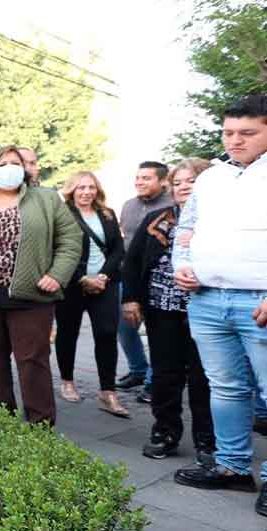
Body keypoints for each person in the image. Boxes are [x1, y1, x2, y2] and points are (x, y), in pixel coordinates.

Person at [170, 95, 267, 516]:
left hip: (257, 302)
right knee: (225, 387)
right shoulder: (211, 178)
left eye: (247, 133)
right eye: (229, 133)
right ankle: (232, 466)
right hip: (207, 298)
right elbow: (186, 229)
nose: (235, 141)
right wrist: (182, 265)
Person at [0, 145, 81, 425]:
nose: (9, 168)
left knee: (32, 362)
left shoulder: (46, 199)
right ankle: (2, 423)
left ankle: (39, 425)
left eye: (15, 162)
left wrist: (57, 274)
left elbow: (70, 240)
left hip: (31, 298)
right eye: (2, 163)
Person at [122, 158, 213, 461]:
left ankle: (208, 441)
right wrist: (132, 298)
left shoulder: (221, 219)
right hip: (163, 310)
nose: (183, 187)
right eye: (178, 182)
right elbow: (133, 261)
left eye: (192, 181)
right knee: (164, 375)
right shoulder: (158, 218)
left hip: (207, 311)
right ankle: (165, 432)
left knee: (205, 378)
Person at [55, 172, 127, 417]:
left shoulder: (107, 214)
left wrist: (104, 276)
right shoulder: (61, 213)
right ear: (71, 190)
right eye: (81, 187)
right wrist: (81, 278)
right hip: (72, 284)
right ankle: (67, 380)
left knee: (107, 333)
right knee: (68, 332)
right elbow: (56, 250)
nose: (86, 192)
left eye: (91, 187)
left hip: (105, 283)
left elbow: (118, 248)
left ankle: (108, 391)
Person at [116, 161, 172, 402]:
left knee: (158, 333)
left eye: (146, 178)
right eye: (138, 178)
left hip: (159, 279)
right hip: (128, 275)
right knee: (124, 327)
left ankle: (153, 381)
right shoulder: (128, 205)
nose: (139, 182)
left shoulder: (171, 207)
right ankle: (138, 370)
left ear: (162, 181)